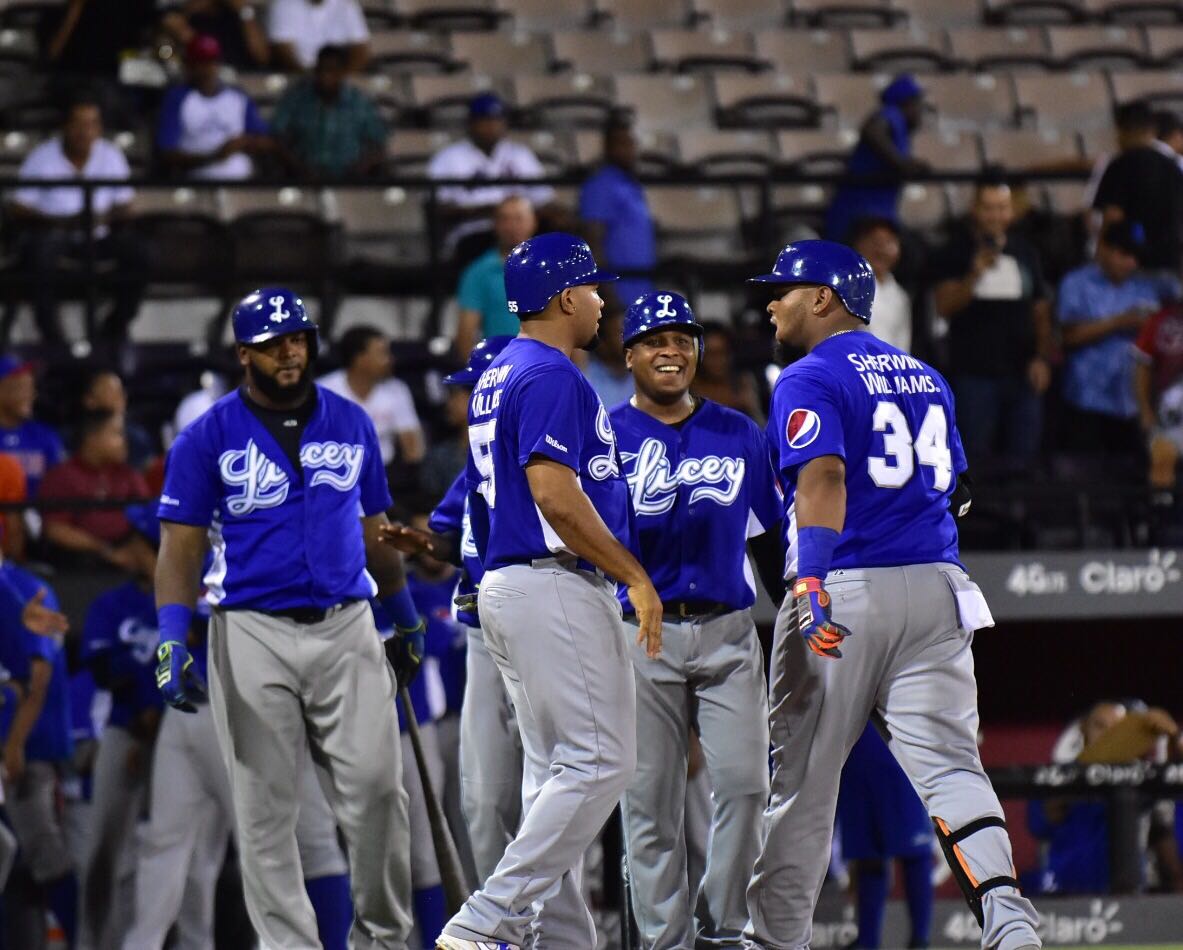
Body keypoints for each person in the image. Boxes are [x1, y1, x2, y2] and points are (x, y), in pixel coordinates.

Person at [744, 240, 1041, 950]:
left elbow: (822, 481)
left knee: (802, 790)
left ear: (823, 298)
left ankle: (770, 942)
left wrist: (809, 578)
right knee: (951, 771)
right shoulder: (925, 376)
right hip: (938, 587)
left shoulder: (807, 375)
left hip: (845, 590)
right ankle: (1007, 921)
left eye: (783, 289)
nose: (770, 303)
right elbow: (958, 492)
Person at [152, 287, 423, 948]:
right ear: (245, 354)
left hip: (345, 620)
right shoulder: (206, 435)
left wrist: (405, 616)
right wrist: (170, 638)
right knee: (265, 811)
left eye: (297, 338)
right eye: (274, 344)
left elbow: (375, 530)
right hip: (249, 627)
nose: (290, 352)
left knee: (379, 791)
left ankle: (382, 938)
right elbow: (180, 548)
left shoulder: (352, 420)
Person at [435, 233, 662, 949]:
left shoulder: (504, 370)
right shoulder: (551, 374)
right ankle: (488, 919)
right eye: (594, 289)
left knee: (553, 777)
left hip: (512, 584)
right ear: (566, 298)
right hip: (549, 580)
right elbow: (554, 496)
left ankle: (558, 940)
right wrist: (633, 575)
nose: (602, 300)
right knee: (602, 762)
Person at [612, 291, 783, 947]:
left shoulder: (738, 430)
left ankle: (721, 930)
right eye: (655, 340)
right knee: (649, 804)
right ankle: (663, 942)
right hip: (638, 633)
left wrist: (797, 610)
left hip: (727, 630)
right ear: (629, 354)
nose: (671, 351)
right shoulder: (604, 433)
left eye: (682, 339)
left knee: (743, 787)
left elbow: (768, 540)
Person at [380, 336, 522, 892]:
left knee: (548, 793)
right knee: (483, 801)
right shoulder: (474, 468)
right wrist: (421, 542)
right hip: (483, 631)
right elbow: (446, 540)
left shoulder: (552, 458)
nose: (464, 404)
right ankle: (497, 925)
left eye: (476, 390)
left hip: (542, 632)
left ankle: (555, 931)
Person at [77, 504, 162, 950]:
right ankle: (94, 944)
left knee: (161, 854)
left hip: (175, 737)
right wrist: (146, 703)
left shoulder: (184, 599)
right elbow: (107, 669)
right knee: (103, 851)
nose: (126, 546)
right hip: (125, 730)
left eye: (135, 539)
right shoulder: (112, 604)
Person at [932, 175, 1052, 473]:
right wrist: (973, 276)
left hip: (1022, 373)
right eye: (988, 208)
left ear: (1011, 211)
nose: (995, 215)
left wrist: (1042, 357)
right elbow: (944, 306)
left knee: (1023, 459)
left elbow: (1040, 310)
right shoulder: (954, 251)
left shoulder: (1026, 251)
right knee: (973, 461)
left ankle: (1021, 517)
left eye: (1001, 208)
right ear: (975, 209)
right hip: (975, 375)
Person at [8, 92, 148, 347]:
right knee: (38, 252)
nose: (84, 131)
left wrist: (102, 217)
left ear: (99, 128)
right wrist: (58, 221)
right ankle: (53, 339)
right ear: (65, 126)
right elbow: (18, 207)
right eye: (78, 123)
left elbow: (126, 207)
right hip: (56, 234)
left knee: (139, 252)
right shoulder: (42, 157)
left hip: (101, 234)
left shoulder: (111, 155)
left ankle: (115, 327)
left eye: (91, 124)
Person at [0, 562, 77, 948]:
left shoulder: (21, 589)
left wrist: (14, 744)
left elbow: (36, 678)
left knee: (41, 856)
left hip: (29, 747)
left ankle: (83, 940)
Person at [1057, 220, 1178, 462]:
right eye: (1124, 254)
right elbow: (1066, 338)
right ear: (1103, 248)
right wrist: (1118, 322)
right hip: (1087, 399)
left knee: (1129, 478)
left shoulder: (1147, 286)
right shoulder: (1077, 283)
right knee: (1084, 474)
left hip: (1131, 402)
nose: (1131, 262)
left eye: (1136, 256)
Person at [837, 723, 935, 950]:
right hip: (856, 748)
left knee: (914, 847)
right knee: (867, 851)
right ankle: (867, 940)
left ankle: (920, 939)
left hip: (899, 741)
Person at [427, 93, 556, 262]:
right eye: (485, 120)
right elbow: (438, 208)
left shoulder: (520, 155)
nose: (491, 126)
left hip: (521, 230)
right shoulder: (449, 157)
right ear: (471, 123)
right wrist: (491, 211)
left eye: (496, 120)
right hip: (473, 231)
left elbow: (544, 198)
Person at [39, 409, 150, 568]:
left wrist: (136, 551)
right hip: (79, 565)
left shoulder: (128, 474)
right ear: (92, 438)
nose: (124, 441)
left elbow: (147, 518)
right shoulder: (61, 476)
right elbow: (55, 529)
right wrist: (106, 552)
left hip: (130, 554)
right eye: (116, 434)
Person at [825, 74, 930, 243]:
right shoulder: (892, 113)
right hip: (857, 215)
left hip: (876, 215)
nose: (920, 109)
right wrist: (901, 164)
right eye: (916, 102)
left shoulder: (902, 130)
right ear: (905, 102)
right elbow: (872, 130)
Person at [157, 33, 272, 181]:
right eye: (201, 62)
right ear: (189, 65)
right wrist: (215, 156)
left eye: (212, 61)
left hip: (242, 183)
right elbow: (167, 153)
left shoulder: (237, 97)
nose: (208, 68)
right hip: (196, 183)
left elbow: (266, 140)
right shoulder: (177, 98)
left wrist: (246, 142)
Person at [271, 44, 387, 181]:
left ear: (342, 73)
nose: (325, 76)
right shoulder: (296, 99)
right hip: (303, 177)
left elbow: (379, 144)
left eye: (331, 70)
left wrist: (358, 170)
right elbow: (276, 137)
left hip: (350, 179)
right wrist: (298, 167)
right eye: (321, 70)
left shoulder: (360, 102)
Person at [318, 324, 426, 469]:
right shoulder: (323, 391)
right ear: (360, 359)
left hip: (385, 473)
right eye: (382, 354)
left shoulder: (397, 389)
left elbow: (412, 445)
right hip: (335, 473)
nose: (390, 360)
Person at [1093, 101, 1183, 273]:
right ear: (1152, 130)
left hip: (1130, 264)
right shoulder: (1173, 167)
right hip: (1169, 263)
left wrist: (1102, 253)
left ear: (1123, 131)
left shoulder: (1120, 165)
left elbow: (1113, 215)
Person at [579, 115, 657, 306]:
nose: (628, 150)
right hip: (616, 295)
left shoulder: (631, 184)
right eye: (621, 144)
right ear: (608, 147)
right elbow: (593, 241)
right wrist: (607, 294)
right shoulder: (600, 185)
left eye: (631, 143)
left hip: (640, 287)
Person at [454, 195, 537, 359]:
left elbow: (573, 325)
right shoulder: (478, 272)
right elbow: (465, 334)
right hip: (502, 371)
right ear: (495, 225)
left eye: (519, 218)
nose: (512, 226)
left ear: (533, 222)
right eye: (505, 219)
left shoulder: (555, 268)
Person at [1135, 302, 1183, 494]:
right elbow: (1142, 366)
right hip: (1172, 417)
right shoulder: (1164, 319)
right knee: (1163, 455)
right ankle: (1160, 516)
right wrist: (1145, 410)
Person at [0, 357, 65, 496]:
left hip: (38, 512)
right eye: (21, 388)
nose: (30, 395)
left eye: (31, 388)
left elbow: (60, 485)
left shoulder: (45, 435)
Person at [851, 216, 912, 353]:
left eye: (889, 243)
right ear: (859, 245)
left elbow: (903, 343)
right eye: (876, 242)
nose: (882, 250)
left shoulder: (900, 296)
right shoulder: (846, 287)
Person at [76, 366, 154, 469]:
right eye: (109, 391)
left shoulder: (138, 438)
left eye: (120, 390)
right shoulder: (72, 438)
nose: (120, 396)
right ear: (89, 400)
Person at [159, 0, 271, 72]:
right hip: (202, 81)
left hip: (242, 79)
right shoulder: (185, 14)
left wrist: (244, 11)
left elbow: (261, 57)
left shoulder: (237, 14)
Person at [267, 0, 370, 73]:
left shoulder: (347, 4)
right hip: (298, 75)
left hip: (338, 76)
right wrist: (309, 79)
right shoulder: (283, 4)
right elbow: (283, 51)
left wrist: (344, 78)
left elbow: (360, 48)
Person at [690, 323, 764, 423]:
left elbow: (760, 427)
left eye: (723, 353)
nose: (718, 360)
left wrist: (748, 406)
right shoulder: (689, 391)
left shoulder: (743, 384)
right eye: (711, 354)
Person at [582, 300, 634, 409]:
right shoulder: (585, 378)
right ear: (603, 343)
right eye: (621, 333)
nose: (629, 339)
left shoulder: (643, 376)